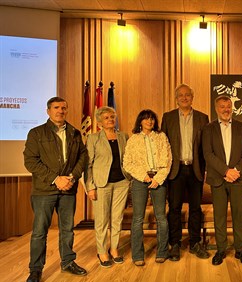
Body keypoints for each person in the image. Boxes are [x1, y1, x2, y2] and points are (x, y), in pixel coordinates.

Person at [23, 97, 88, 282]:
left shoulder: (75, 132)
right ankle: (35, 269)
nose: (61, 111)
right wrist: (55, 179)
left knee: (67, 230)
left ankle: (68, 262)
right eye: (57, 108)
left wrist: (72, 177)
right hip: (44, 191)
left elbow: (82, 157)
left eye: (64, 108)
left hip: (68, 189)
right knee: (39, 232)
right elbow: (31, 161)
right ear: (48, 111)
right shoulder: (36, 133)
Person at [202, 95, 242, 266]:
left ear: (232, 108)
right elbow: (208, 154)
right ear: (216, 108)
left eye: (228, 106)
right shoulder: (208, 129)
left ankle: (240, 250)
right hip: (218, 178)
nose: (226, 109)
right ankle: (221, 249)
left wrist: (236, 171)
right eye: (222, 106)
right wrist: (225, 171)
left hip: (238, 179)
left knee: (239, 216)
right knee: (220, 216)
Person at [161, 84, 210, 261]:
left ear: (192, 96)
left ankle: (195, 242)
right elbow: (163, 146)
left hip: (196, 169)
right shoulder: (168, 117)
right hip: (175, 170)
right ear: (176, 98)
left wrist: (205, 170)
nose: (184, 98)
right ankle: (175, 243)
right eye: (180, 95)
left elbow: (206, 146)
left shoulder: (203, 118)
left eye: (187, 95)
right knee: (174, 208)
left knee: (196, 208)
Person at [123, 109, 172, 266]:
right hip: (140, 179)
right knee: (138, 218)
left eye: (152, 119)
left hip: (159, 179)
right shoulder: (133, 139)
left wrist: (158, 178)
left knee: (161, 217)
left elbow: (168, 159)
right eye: (146, 119)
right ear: (140, 121)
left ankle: (162, 252)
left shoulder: (161, 137)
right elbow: (127, 163)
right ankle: (138, 255)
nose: (149, 122)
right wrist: (143, 176)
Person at [85, 106, 131, 267]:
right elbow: (88, 165)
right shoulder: (93, 138)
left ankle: (114, 249)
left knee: (117, 219)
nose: (110, 120)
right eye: (106, 118)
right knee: (102, 220)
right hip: (101, 184)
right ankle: (102, 251)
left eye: (112, 117)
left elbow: (128, 159)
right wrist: (90, 187)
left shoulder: (123, 136)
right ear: (99, 122)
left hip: (122, 183)